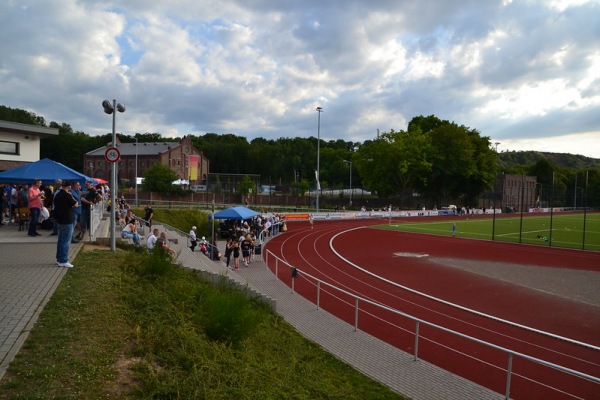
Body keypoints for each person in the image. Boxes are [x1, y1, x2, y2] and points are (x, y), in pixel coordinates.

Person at [53, 180, 78, 268]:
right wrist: (72, 197)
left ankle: (59, 259)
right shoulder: (67, 195)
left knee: (60, 240)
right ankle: (63, 260)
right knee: (66, 241)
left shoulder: (57, 195)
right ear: (69, 186)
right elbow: (75, 204)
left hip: (60, 220)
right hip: (67, 220)